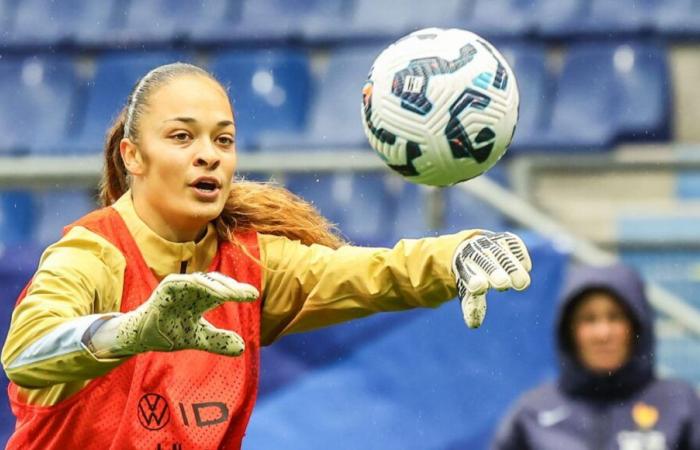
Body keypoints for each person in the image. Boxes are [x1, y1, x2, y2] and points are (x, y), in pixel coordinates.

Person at [1, 62, 532, 450]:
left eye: (223, 139)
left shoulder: (250, 264)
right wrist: (131, 331)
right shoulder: (91, 253)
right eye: (182, 136)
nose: (208, 153)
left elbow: (372, 271)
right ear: (133, 155)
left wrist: (457, 254)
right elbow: (25, 354)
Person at [492, 263, 700, 450]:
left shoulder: (679, 404)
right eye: (588, 319)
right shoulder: (532, 413)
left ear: (637, 326)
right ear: (569, 331)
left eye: (615, 317)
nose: (603, 334)